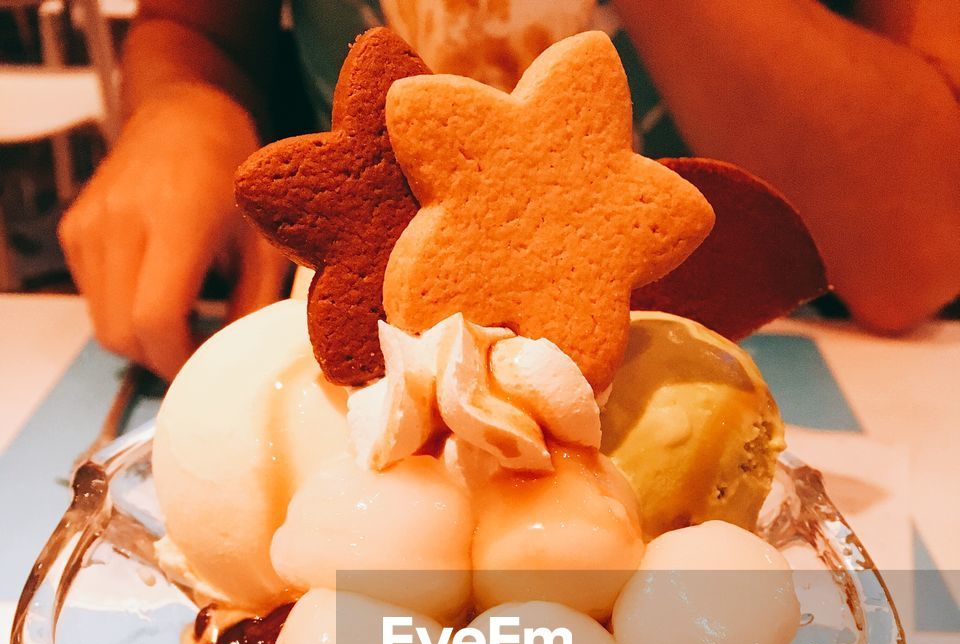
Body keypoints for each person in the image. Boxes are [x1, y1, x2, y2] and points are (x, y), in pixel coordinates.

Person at [59, 0, 960, 381]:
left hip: (765, 363)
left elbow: (908, 249)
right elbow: (194, 28)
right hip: (366, 367)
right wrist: (185, 103)